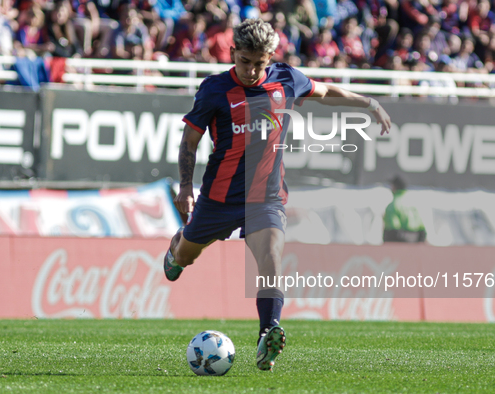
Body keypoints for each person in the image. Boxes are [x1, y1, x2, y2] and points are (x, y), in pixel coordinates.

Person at [163, 18, 391, 372]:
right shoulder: (213, 90)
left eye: (260, 63)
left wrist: (368, 102)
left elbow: (326, 92)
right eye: (245, 61)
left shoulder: (286, 79)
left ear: (270, 57)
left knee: (271, 259)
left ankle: (267, 332)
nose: (252, 70)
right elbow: (189, 141)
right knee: (185, 257)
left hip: (265, 199)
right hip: (218, 200)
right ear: (232, 52)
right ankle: (178, 248)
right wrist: (185, 187)